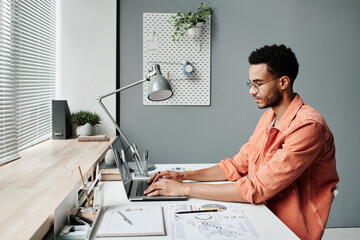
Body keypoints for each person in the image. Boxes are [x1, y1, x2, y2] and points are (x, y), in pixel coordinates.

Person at [144, 44, 339, 240]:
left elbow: (257, 189)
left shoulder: (308, 127)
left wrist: (185, 189)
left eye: (258, 84)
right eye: (250, 84)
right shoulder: (269, 117)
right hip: (261, 212)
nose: (251, 91)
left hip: (286, 228)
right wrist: (183, 176)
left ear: (283, 82)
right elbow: (236, 166)